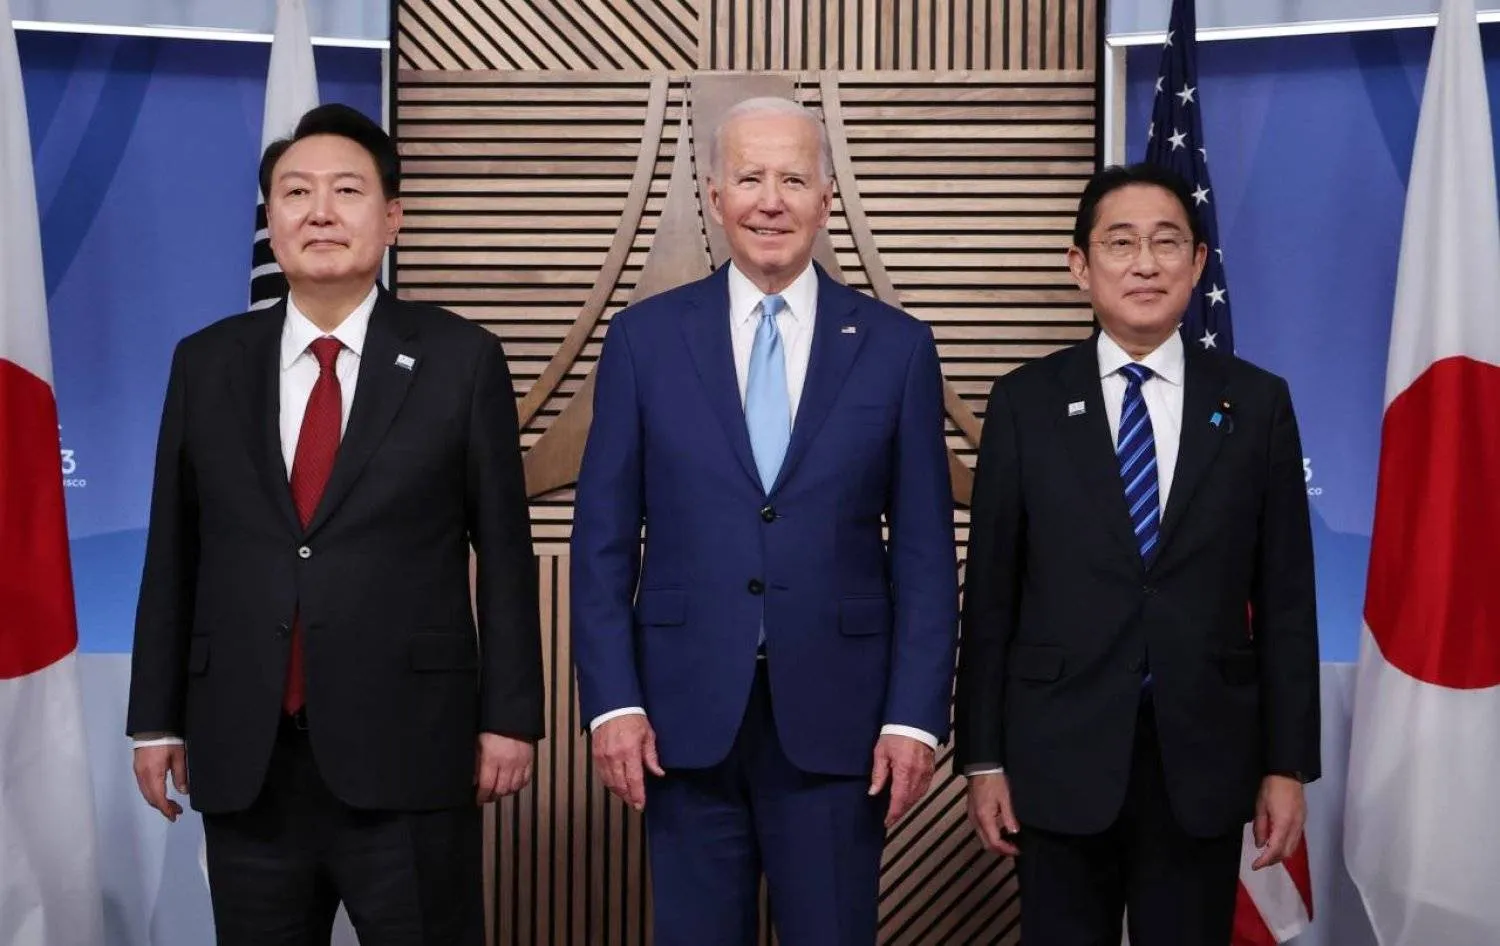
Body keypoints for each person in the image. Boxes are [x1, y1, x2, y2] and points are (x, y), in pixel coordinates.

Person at [126, 103, 544, 946]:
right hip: (248, 754)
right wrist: (155, 718)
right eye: (296, 192)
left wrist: (510, 716)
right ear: (271, 222)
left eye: (347, 190)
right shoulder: (206, 363)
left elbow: (504, 554)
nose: (320, 212)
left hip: (414, 752)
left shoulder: (462, 359)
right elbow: (175, 549)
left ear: (391, 217)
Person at [569, 96, 958, 946]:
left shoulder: (895, 348)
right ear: (714, 197)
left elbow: (926, 555)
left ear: (827, 199)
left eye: (792, 178)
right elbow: (600, 544)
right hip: (679, 721)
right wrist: (612, 706)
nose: (770, 200)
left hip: (842, 725)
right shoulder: (643, 340)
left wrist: (913, 716)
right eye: (749, 178)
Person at [954, 162, 1321, 946]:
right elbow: (990, 598)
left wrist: (1287, 765)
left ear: (1197, 264)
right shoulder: (1026, 403)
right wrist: (982, 758)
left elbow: (1287, 598)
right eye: (1120, 244)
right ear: (1080, 266)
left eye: (1166, 243)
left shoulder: (1256, 404)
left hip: (1203, 760)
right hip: (1057, 757)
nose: (1145, 263)